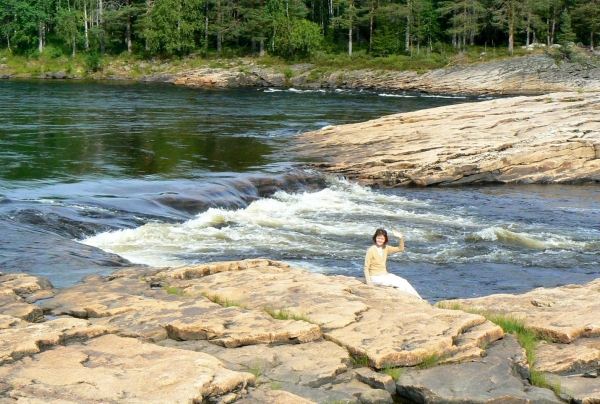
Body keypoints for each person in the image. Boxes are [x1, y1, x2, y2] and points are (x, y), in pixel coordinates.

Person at [364, 228, 422, 298]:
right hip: (375, 277)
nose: (380, 240)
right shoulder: (370, 250)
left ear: (385, 240)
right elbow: (366, 267)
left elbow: (400, 249)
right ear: (375, 238)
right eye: (378, 238)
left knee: (404, 281)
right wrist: (368, 281)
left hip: (384, 275)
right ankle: (415, 299)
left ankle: (418, 299)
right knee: (400, 283)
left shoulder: (386, 248)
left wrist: (400, 237)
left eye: (382, 238)